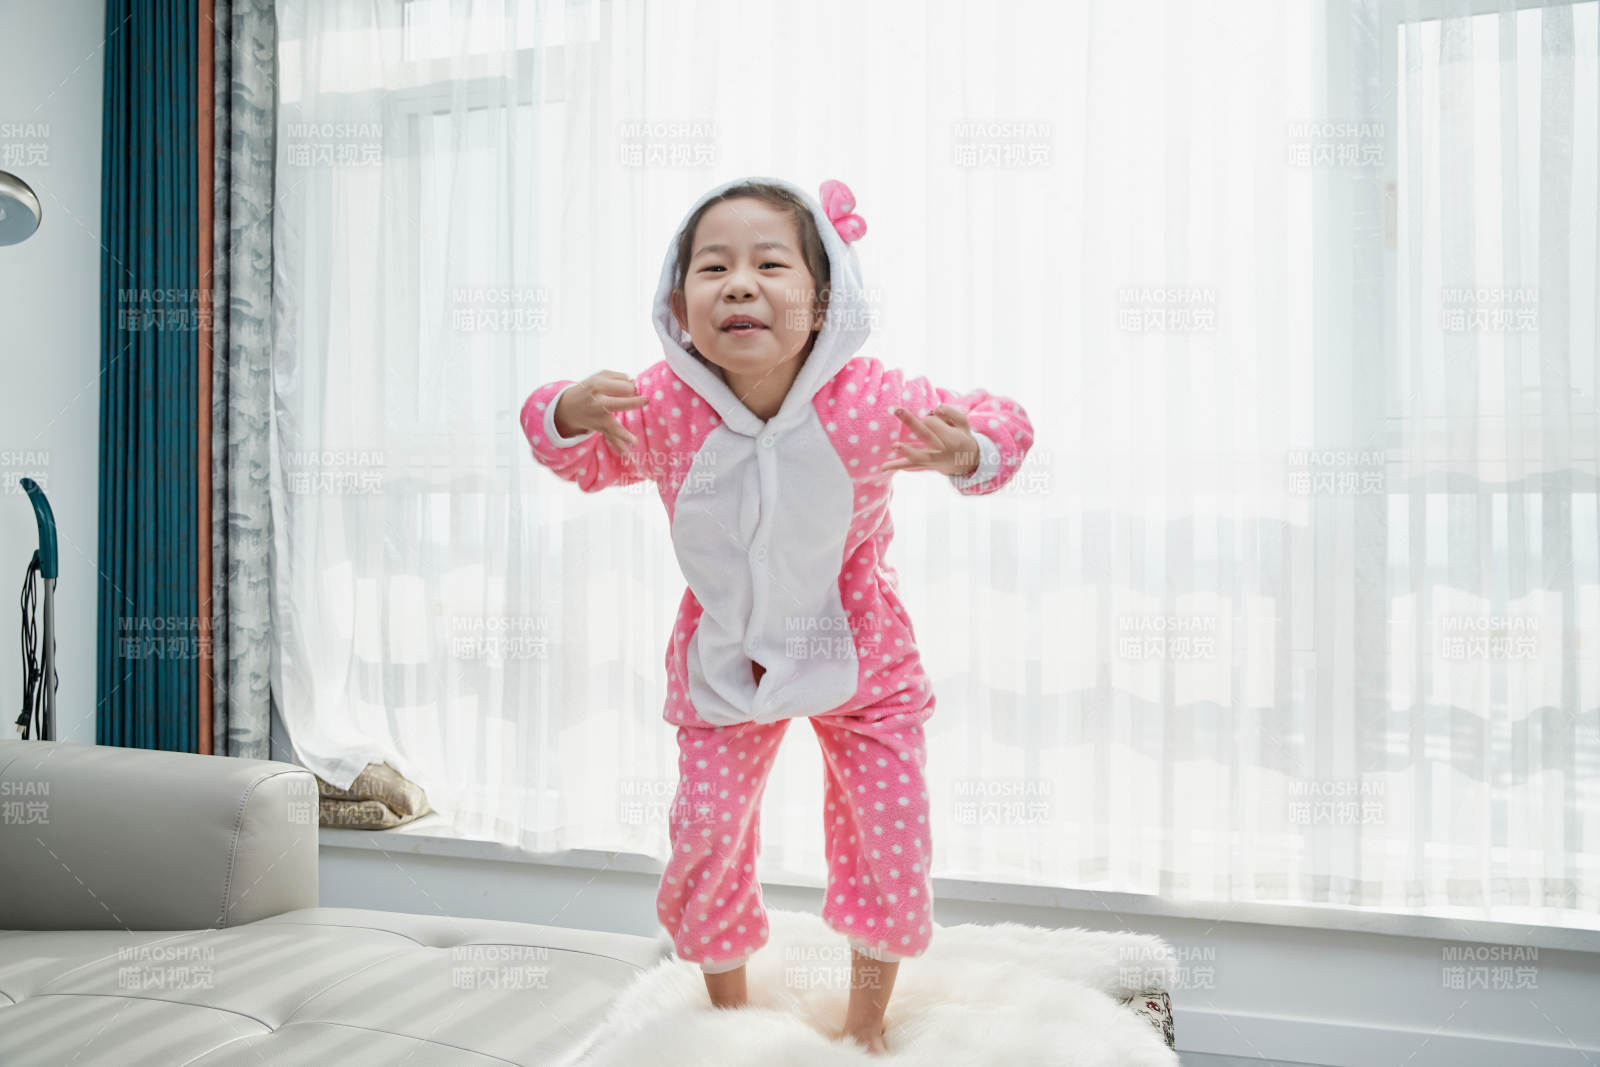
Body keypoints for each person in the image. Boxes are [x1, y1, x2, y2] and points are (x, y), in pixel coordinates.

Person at [518, 176, 1034, 1054]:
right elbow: (582, 458)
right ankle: (726, 1016)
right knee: (708, 832)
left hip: (861, 653)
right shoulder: (668, 406)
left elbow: (1002, 420)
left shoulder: (866, 400)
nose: (740, 283)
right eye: (712, 266)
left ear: (824, 295)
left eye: (769, 264)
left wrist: (969, 447)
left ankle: (866, 1022)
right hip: (728, 656)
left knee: (889, 835)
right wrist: (564, 412)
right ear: (679, 305)